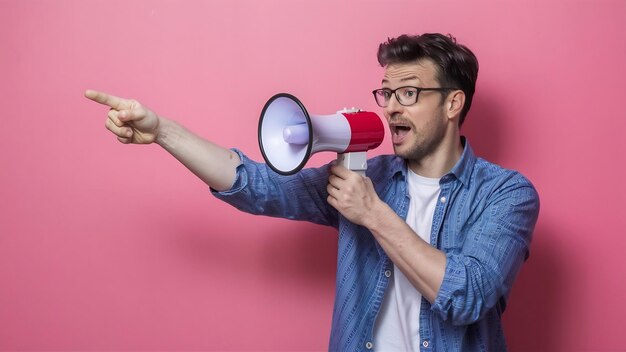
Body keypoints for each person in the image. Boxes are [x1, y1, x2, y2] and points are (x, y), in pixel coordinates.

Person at [85, 33, 539, 351]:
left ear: (453, 103)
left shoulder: (506, 194)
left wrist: (373, 213)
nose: (392, 108)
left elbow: (468, 295)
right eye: (386, 94)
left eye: (409, 94)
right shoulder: (367, 178)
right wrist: (163, 130)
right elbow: (255, 185)